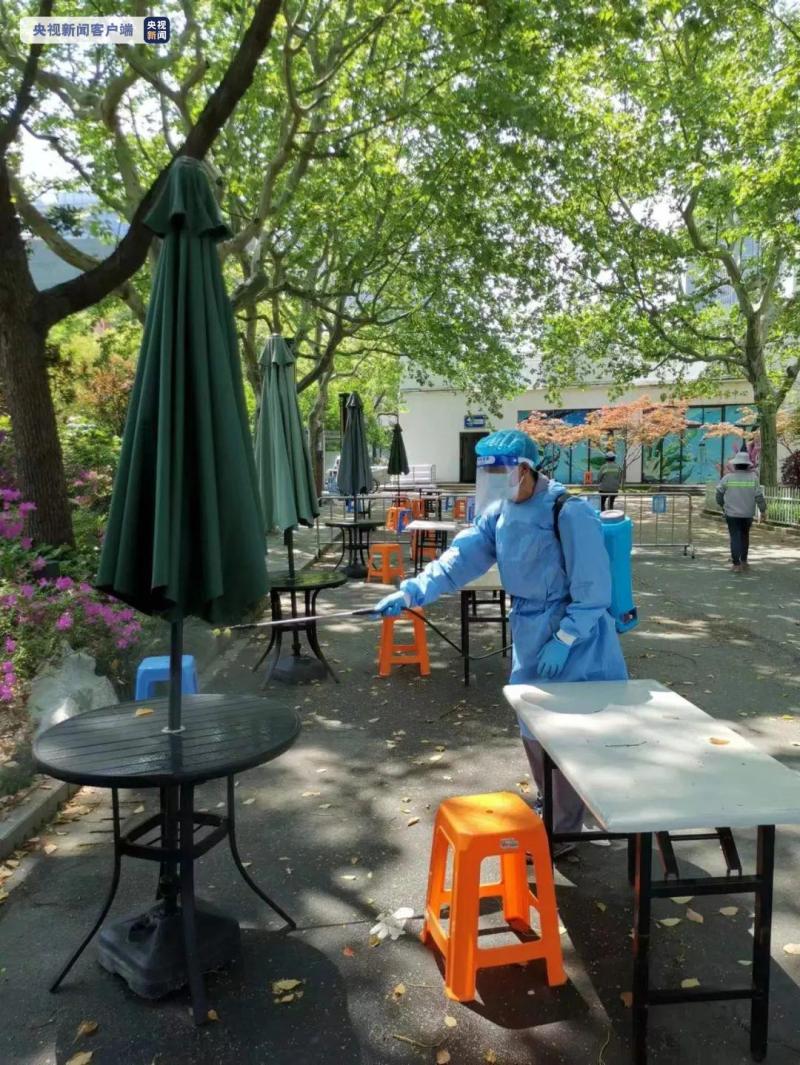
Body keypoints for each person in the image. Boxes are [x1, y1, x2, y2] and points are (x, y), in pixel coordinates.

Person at [373, 429, 627, 854]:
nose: (492, 480)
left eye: (500, 471)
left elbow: (593, 589)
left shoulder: (568, 512)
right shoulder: (500, 513)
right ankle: (554, 806)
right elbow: (460, 559)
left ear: (525, 469)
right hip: (530, 630)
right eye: (486, 473)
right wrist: (413, 591)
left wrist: (565, 637)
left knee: (569, 733)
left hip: (578, 641)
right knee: (533, 727)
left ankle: (563, 830)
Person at [716, 451, 766, 573]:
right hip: (747, 514)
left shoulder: (728, 478)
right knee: (745, 536)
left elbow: (719, 493)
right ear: (748, 465)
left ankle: (736, 564)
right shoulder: (753, 478)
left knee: (735, 537)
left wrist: (722, 504)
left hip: (731, 514)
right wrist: (763, 510)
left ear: (735, 465)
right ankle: (744, 561)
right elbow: (759, 497)